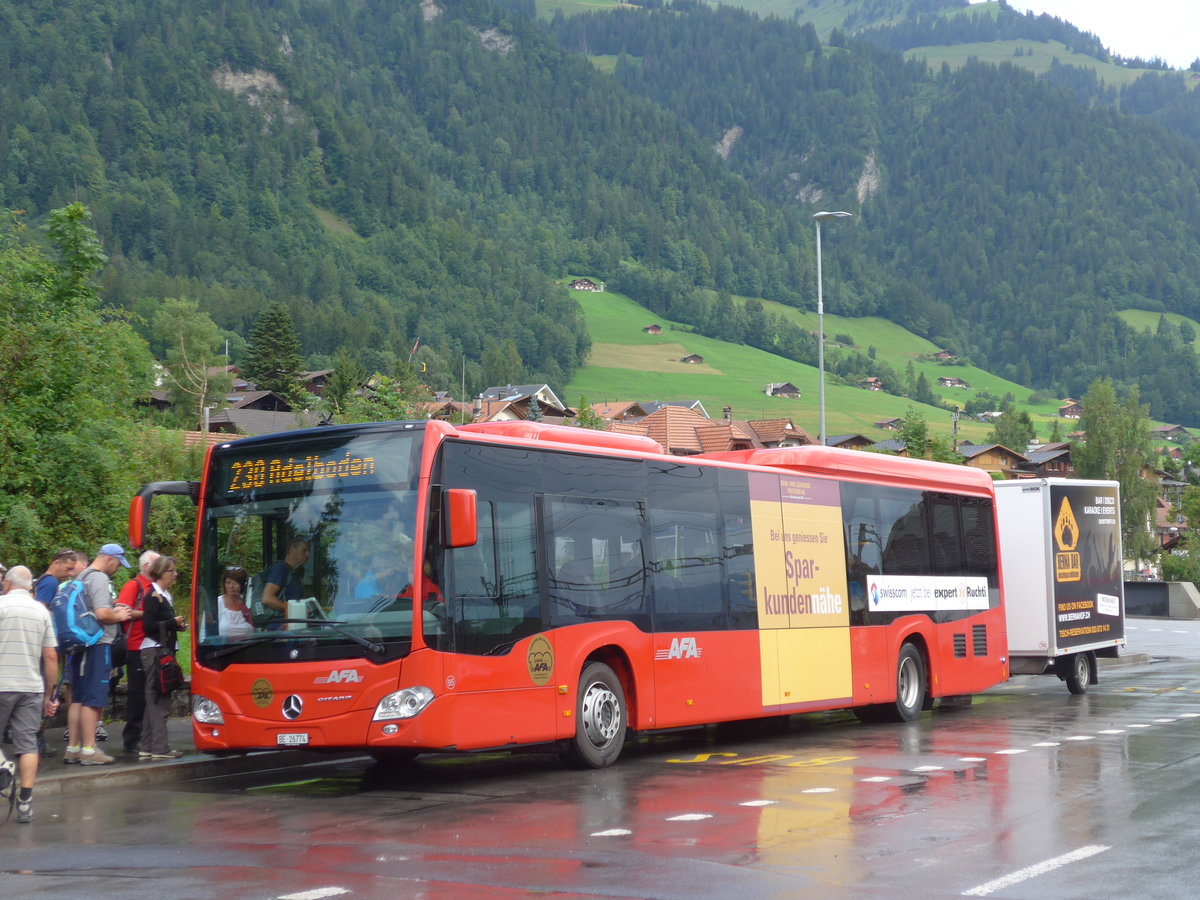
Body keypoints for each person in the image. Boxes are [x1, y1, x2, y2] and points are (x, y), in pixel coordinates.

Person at [0, 566, 60, 823]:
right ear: (30, 587)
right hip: (31, 688)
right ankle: (25, 801)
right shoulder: (41, 611)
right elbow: (50, 655)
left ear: (7, 585)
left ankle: (3, 766)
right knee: (27, 744)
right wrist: (50, 695)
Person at [64, 544, 132, 766]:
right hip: (97, 644)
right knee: (93, 699)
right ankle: (89, 749)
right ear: (110, 559)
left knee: (78, 698)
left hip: (79, 645)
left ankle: (73, 748)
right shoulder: (100, 579)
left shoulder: (81, 575)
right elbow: (103, 614)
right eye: (118, 564)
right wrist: (119, 614)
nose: (118, 569)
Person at [139, 555, 186, 759]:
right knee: (159, 697)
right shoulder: (153, 596)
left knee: (154, 697)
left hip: (161, 649)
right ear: (160, 573)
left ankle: (147, 746)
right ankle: (160, 747)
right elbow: (147, 626)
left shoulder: (164, 595)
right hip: (155, 651)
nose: (175, 575)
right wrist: (171, 623)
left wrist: (176, 625)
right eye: (171, 571)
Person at [115, 550, 160, 756]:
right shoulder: (134, 585)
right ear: (146, 567)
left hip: (154, 647)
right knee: (137, 695)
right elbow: (121, 611)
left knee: (151, 694)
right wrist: (149, 614)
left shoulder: (157, 587)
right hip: (136, 647)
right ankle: (131, 740)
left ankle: (146, 738)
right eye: (157, 564)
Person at [260, 538, 310, 626]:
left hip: (292, 626)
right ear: (291, 550)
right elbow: (267, 598)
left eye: (308, 551)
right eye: (304, 550)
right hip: (279, 629)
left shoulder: (296, 573)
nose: (307, 555)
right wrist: (294, 608)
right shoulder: (280, 568)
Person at [216, 565, 253, 639]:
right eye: (228, 583)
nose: (231, 586)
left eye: (235, 583)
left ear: (242, 585)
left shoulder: (248, 602)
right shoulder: (217, 603)